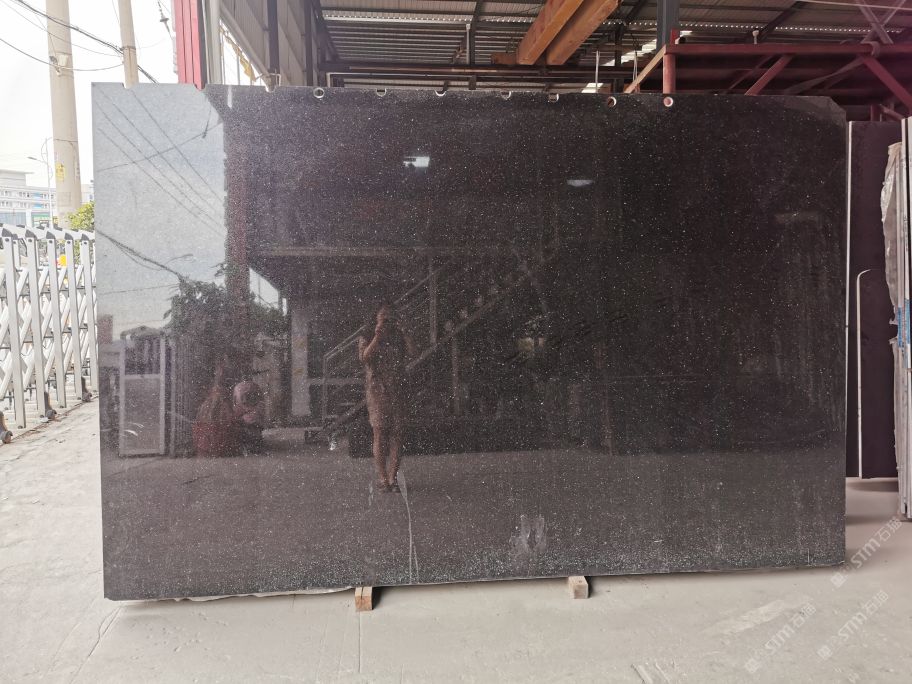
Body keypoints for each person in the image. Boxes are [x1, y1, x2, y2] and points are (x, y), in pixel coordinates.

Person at [358, 302, 414, 492]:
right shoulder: (367, 335)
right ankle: (383, 478)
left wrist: (406, 333)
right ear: (375, 317)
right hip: (377, 390)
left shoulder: (399, 336)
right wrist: (377, 336)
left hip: (399, 389)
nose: (386, 320)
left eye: (390, 316)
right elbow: (364, 358)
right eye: (383, 316)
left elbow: (413, 353)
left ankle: (393, 478)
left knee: (398, 434)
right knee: (380, 433)